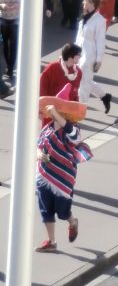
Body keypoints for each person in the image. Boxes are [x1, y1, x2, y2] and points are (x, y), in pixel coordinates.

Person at [34, 104, 93, 252]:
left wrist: (55, 112)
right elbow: (38, 145)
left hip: (63, 177)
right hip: (44, 174)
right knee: (45, 210)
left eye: (58, 112)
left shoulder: (73, 129)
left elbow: (73, 135)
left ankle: (72, 222)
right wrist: (39, 154)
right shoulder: (47, 128)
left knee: (62, 212)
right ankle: (51, 241)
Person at [75, 0, 111, 114]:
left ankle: (80, 110)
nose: (83, 2)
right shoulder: (83, 18)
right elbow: (78, 38)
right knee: (85, 80)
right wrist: (72, 53)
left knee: (84, 83)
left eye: (86, 0)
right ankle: (104, 96)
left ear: (92, 4)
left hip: (90, 56)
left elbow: (101, 41)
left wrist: (99, 60)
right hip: (79, 54)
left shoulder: (100, 21)